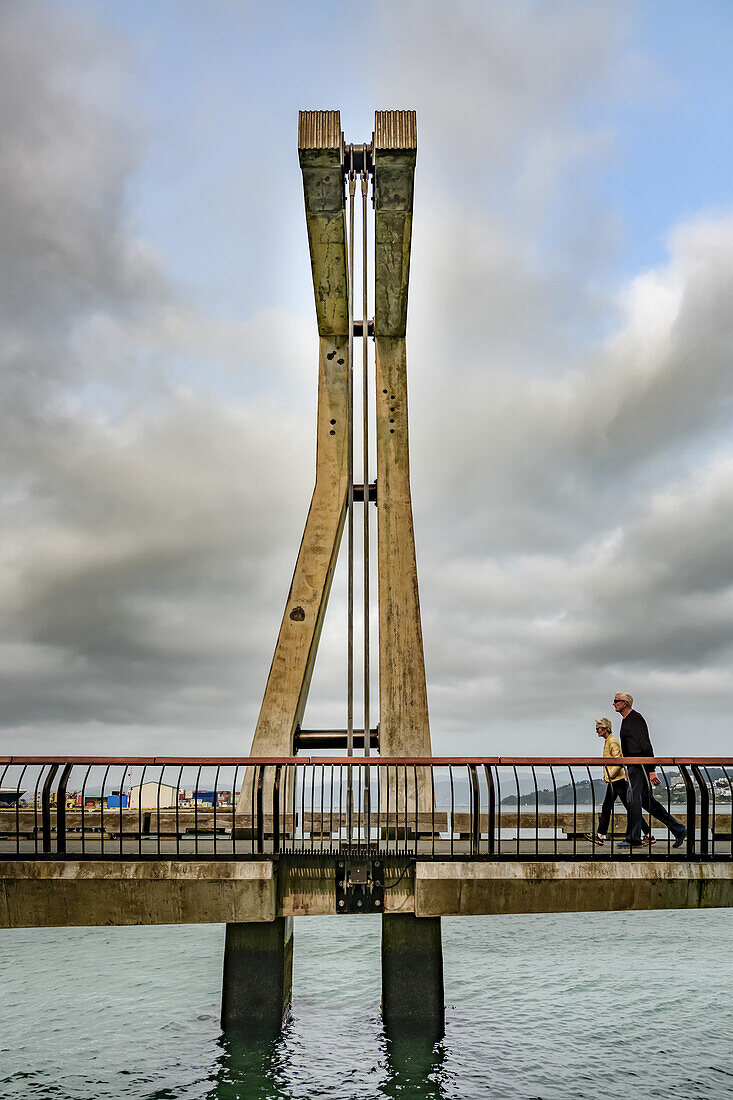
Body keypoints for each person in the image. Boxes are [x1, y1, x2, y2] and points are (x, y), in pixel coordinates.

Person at [612, 692, 686, 849]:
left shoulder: (635, 718)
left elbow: (645, 744)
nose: (613, 703)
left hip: (640, 766)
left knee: (633, 800)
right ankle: (678, 829)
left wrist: (651, 769)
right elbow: (629, 747)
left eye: (616, 701)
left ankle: (633, 838)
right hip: (633, 766)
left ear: (625, 703)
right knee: (647, 802)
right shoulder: (626, 720)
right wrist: (627, 768)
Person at [585, 718, 653, 845]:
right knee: (628, 807)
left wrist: (608, 776)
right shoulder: (609, 741)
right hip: (617, 780)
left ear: (605, 728)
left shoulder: (612, 741)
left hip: (616, 780)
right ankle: (648, 834)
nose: (596, 731)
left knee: (607, 807)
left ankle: (600, 835)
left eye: (598, 729)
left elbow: (619, 761)